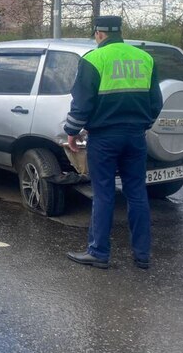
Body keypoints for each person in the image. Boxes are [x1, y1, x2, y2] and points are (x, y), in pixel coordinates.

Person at [64, 16, 163, 269]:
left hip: (105, 138)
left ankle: (99, 253)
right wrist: (142, 124)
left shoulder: (93, 59)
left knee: (104, 193)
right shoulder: (145, 58)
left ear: (98, 34)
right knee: (137, 193)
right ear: (119, 32)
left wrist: (72, 131)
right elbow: (156, 102)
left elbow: (82, 102)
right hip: (135, 137)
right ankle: (142, 255)